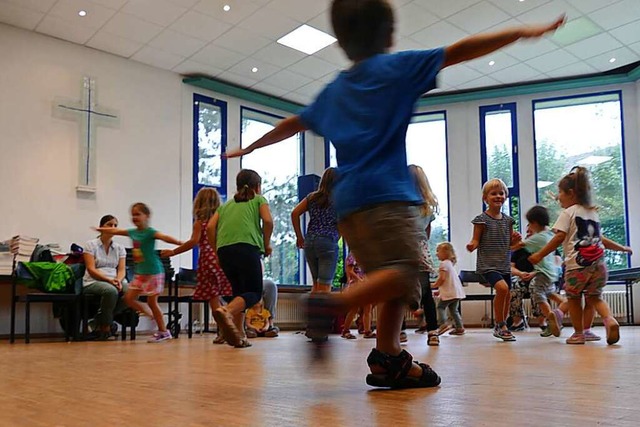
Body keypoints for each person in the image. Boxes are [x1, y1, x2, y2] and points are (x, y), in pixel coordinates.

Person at [225, 0, 564, 388]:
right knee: (406, 274)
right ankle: (332, 304)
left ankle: (388, 356)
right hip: (386, 196)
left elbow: (294, 123)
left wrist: (253, 147)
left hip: (348, 208)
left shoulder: (336, 90)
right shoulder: (399, 67)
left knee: (389, 280)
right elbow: (463, 48)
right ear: (388, 34)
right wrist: (521, 31)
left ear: (340, 40)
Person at [529, 167, 632, 345]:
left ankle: (578, 333)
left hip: (578, 266)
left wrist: (540, 254)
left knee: (574, 298)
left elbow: (559, 237)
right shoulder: (593, 213)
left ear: (571, 193)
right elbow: (602, 239)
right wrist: (621, 248)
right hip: (599, 265)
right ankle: (609, 320)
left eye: (560, 192)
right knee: (594, 298)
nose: (558, 196)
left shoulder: (568, 213)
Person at [95, 203, 182, 343]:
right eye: (132, 214)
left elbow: (164, 237)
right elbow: (116, 232)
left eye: (138, 214)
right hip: (140, 273)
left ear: (146, 216)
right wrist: (100, 228)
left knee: (153, 302)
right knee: (128, 298)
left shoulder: (150, 232)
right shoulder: (133, 232)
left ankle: (163, 331)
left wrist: (180, 243)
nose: (134, 217)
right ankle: (147, 312)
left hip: (154, 272)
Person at [207, 169, 273, 349]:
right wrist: (266, 244)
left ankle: (239, 335)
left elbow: (210, 228)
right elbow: (268, 221)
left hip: (224, 251)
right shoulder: (259, 199)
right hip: (247, 248)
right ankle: (226, 311)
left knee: (239, 294)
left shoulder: (225, 206)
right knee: (254, 293)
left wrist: (216, 251)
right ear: (257, 187)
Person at [161, 188, 232, 344]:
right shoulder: (222, 221)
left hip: (208, 261)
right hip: (222, 259)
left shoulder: (200, 223)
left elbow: (193, 242)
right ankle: (228, 326)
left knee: (213, 300)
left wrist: (173, 252)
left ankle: (223, 331)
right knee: (221, 297)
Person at [467, 178, 519, 341]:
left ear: (505, 196)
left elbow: (509, 242)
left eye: (501, 193)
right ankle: (500, 323)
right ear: (485, 198)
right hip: (488, 264)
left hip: (504, 264)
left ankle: (501, 325)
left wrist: (516, 240)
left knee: (507, 294)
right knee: (502, 289)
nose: (498, 196)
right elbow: (476, 239)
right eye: (493, 193)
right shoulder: (481, 220)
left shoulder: (508, 220)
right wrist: (472, 245)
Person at [514, 205, 569, 338]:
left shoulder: (538, 237)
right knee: (550, 293)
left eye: (530, 224)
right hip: (553, 274)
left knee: (538, 294)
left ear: (534, 223)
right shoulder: (551, 234)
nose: (529, 227)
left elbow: (518, 246)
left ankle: (551, 318)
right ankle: (564, 303)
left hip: (543, 273)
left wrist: (508, 243)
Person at [291, 167, 339, 294]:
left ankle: (312, 313)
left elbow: (295, 213)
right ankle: (322, 314)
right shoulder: (339, 200)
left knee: (316, 286)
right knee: (325, 288)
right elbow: (344, 223)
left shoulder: (312, 198)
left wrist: (299, 237)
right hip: (328, 241)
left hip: (310, 242)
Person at [82, 214, 128, 340]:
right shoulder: (90, 245)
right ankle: (105, 328)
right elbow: (91, 269)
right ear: (102, 227)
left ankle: (96, 322)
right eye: (109, 225)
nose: (113, 228)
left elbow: (122, 269)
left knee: (132, 292)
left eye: (115, 225)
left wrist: (118, 280)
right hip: (93, 281)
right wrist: (109, 281)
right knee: (110, 291)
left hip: (115, 279)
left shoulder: (120, 248)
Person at [408, 164, 440, 346]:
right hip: (420, 248)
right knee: (426, 292)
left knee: (398, 290)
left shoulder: (401, 203)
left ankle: (400, 330)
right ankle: (433, 331)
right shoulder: (426, 207)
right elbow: (427, 233)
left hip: (404, 247)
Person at [432, 242, 465, 336]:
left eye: (438, 251)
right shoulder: (450, 263)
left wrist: (433, 285)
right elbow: (449, 280)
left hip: (450, 292)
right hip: (456, 292)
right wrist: (439, 290)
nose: (436, 254)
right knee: (454, 310)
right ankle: (460, 327)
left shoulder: (443, 264)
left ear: (445, 253)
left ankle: (443, 324)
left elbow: (442, 279)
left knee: (440, 307)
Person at [341, 252, 375, 339]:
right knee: (353, 309)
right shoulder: (353, 255)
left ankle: (367, 331)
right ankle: (345, 330)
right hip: (356, 284)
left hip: (366, 284)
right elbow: (349, 271)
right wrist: (359, 280)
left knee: (368, 307)